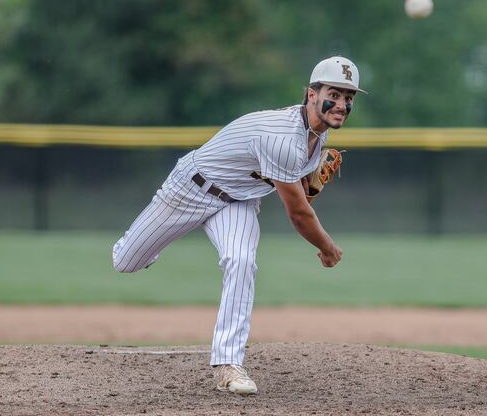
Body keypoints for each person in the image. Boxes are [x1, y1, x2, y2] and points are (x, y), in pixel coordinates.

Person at [112, 56, 365, 394]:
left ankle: (228, 364)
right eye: (335, 93)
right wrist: (328, 248)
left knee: (242, 261)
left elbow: (299, 192)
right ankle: (152, 245)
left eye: (350, 97)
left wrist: (308, 186)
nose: (343, 104)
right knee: (126, 262)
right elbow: (299, 214)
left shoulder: (317, 139)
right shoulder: (282, 136)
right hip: (190, 188)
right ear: (311, 94)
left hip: (238, 202)